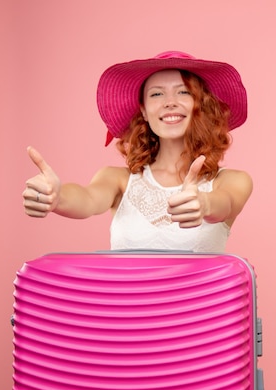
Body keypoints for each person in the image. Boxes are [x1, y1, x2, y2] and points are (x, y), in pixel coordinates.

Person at [22, 51, 252, 252]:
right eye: (156, 94)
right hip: (125, 303)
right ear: (143, 110)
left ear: (200, 106)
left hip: (202, 303)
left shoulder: (233, 181)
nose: (170, 102)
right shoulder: (118, 179)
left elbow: (226, 204)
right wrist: (56, 197)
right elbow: (87, 198)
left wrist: (204, 204)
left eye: (183, 92)